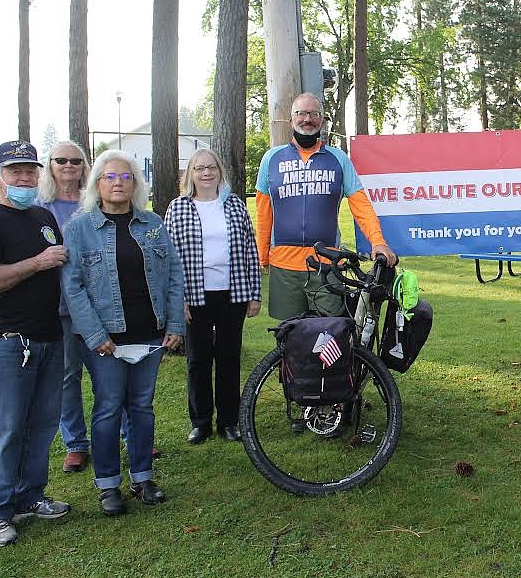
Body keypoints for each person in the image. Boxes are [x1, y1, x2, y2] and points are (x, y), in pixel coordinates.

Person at [62, 150, 185, 516]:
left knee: (142, 407)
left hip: (149, 333)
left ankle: (143, 478)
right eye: (110, 177)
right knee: (108, 408)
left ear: (135, 184)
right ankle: (108, 485)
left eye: (125, 177)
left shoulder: (152, 224)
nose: (118, 183)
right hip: (106, 339)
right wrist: (95, 333)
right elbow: (73, 288)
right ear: (97, 184)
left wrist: (175, 324)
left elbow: (174, 276)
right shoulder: (79, 229)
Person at [0, 140, 72, 548]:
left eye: (30, 172)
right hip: (10, 341)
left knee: (43, 424)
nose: (24, 179)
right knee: (8, 427)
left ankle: (31, 496)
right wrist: (38, 263)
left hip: (49, 337)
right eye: (15, 173)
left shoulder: (43, 217)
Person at [255, 92, 397, 320]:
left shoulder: (338, 158)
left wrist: (378, 241)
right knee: (289, 338)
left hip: (328, 265)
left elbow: (361, 206)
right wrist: (262, 256)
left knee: (329, 336)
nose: (307, 119)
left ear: (322, 120)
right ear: (291, 119)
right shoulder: (271, 159)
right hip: (284, 266)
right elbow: (263, 212)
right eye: (301, 113)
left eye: (314, 114)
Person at [165, 148, 261, 444]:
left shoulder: (234, 205)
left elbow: (249, 249)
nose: (206, 173)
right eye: (199, 168)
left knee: (229, 359)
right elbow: (169, 258)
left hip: (232, 293)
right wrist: (176, 301)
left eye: (212, 168)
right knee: (198, 360)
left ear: (220, 171)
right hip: (195, 296)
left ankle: (229, 422)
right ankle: (201, 421)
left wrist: (254, 294)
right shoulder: (178, 208)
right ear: (190, 174)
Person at [36, 141, 92, 472]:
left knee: (113, 372)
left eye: (76, 160)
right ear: (51, 165)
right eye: (61, 160)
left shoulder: (93, 203)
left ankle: (131, 434)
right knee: (68, 375)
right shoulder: (41, 207)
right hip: (59, 306)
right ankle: (75, 443)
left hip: (98, 302)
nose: (69, 165)